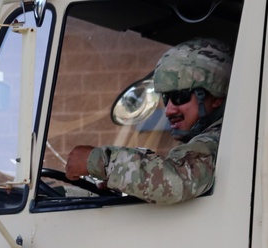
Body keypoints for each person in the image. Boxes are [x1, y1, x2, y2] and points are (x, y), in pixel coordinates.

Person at [65, 38, 233, 205]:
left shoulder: (220, 141)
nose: (169, 110)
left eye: (180, 97)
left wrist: (100, 161)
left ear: (216, 96)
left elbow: (176, 181)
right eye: (166, 99)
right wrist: (122, 181)